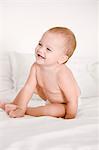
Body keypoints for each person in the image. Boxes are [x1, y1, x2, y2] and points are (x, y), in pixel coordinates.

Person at [0, 27, 80, 119]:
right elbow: (28, 88)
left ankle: (27, 110)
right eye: (40, 44)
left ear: (62, 58)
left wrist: (70, 116)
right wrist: (20, 107)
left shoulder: (62, 73)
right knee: (27, 88)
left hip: (68, 103)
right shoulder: (36, 67)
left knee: (53, 111)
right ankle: (15, 106)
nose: (40, 50)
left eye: (48, 49)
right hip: (49, 97)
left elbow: (72, 99)